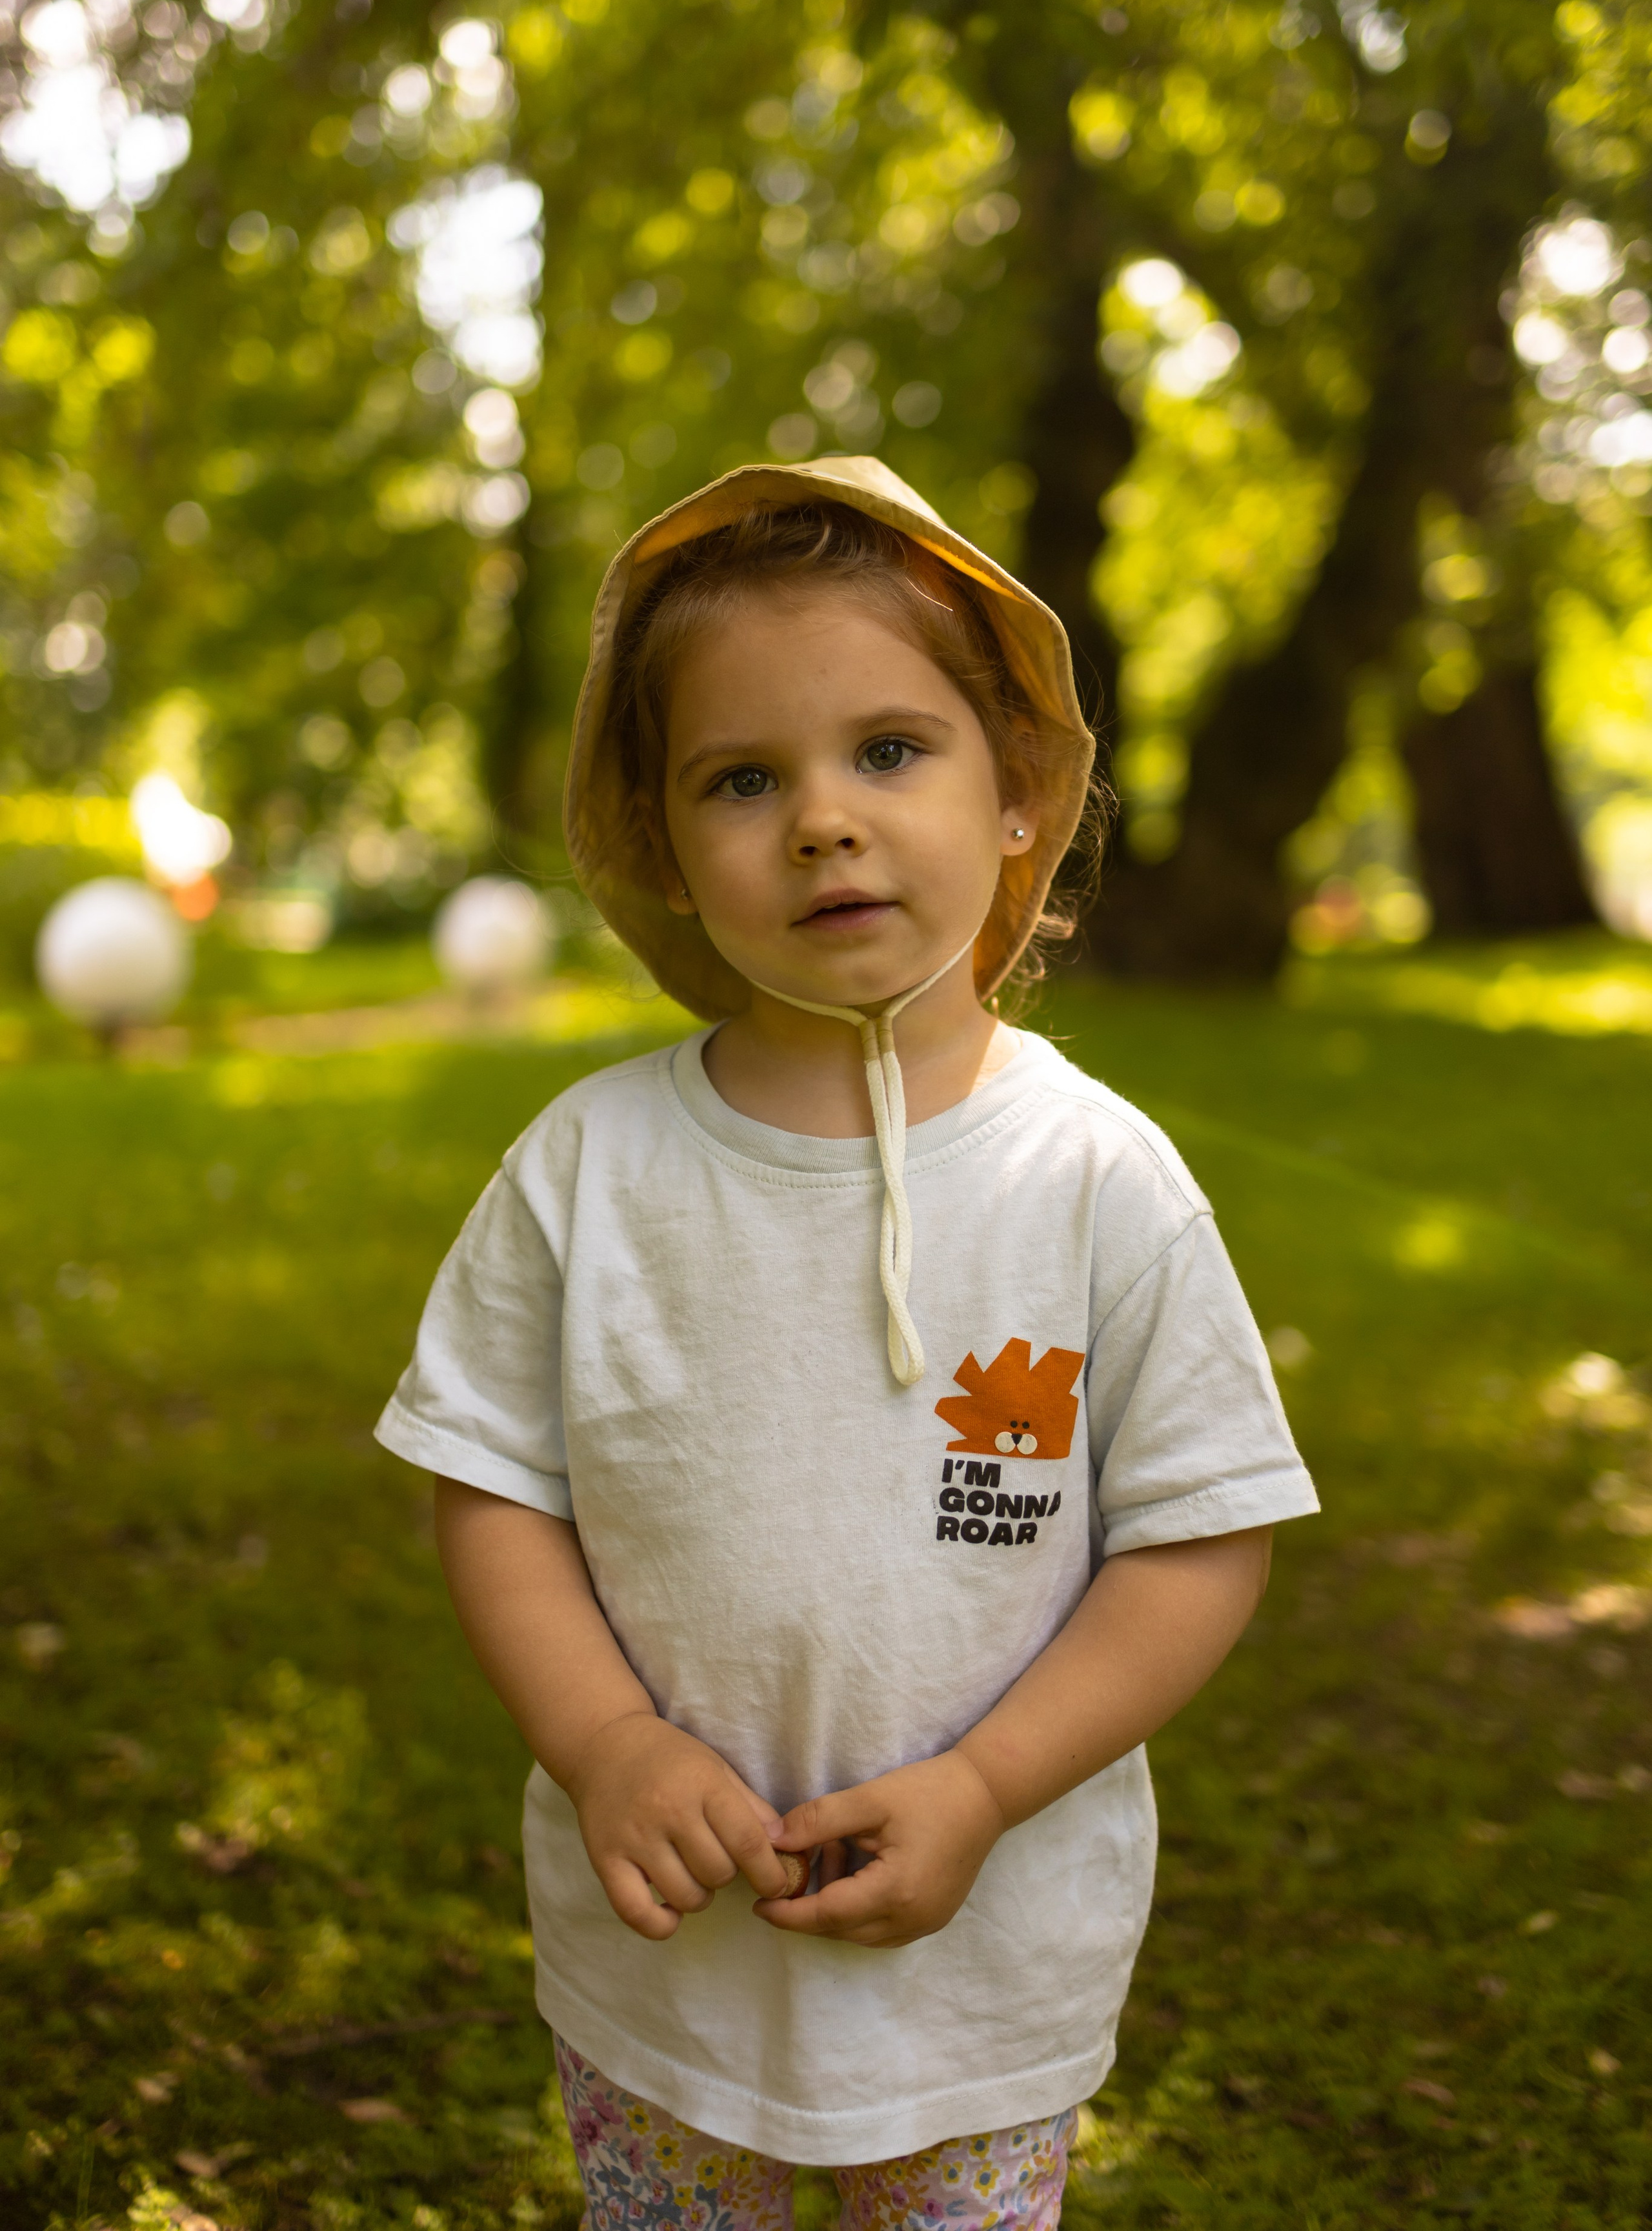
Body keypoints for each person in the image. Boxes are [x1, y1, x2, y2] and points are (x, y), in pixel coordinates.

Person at [376, 456, 1318, 2230]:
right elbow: (495, 1493)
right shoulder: (591, 1171)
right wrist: (608, 1748)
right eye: (746, 777)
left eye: (891, 750)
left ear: (1021, 789)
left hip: (988, 1947)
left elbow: (1202, 1535)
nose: (824, 818)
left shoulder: (1098, 1178)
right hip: (665, 1961)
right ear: (661, 839)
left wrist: (984, 1783)